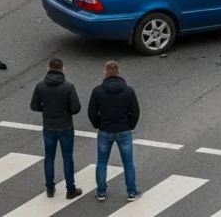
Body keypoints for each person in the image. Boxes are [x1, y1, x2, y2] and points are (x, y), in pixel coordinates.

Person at [89, 60, 141, 202]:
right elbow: (135, 112)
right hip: (124, 130)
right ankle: (132, 192)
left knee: (102, 162)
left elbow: (92, 113)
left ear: (105, 72)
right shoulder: (129, 91)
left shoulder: (97, 91)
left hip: (105, 130)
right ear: (119, 72)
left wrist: (98, 125)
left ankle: (101, 192)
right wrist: (130, 126)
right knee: (128, 163)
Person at [30, 58, 82, 199]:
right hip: (65, 127)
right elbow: (76, 108)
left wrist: (45, 109)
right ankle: (70, 189)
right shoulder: (68, 87)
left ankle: (50, 188)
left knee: (49, 157)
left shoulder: (40, 86)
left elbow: (34, 106)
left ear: (48, 68)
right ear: (62, 69)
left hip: (48, 126)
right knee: (67, 158)